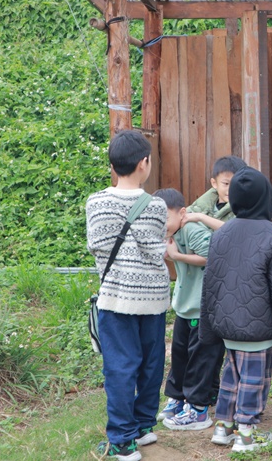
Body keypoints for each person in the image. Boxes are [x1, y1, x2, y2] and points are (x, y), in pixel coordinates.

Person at [199, 167, 272, 453]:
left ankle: (223, 426)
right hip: (258, 327)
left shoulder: (221, 234)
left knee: (232, 374)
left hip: (226, 323)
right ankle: (246, 433)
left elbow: (210, 284)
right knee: (255, 379)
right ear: (265, 198)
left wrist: (207, 328)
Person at [86, 129, 170, 461]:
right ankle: (143, 425)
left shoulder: (96, 202)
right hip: (152, 297)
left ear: (113, 164)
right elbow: (155, 249)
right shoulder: (156, 205)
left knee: (120, 367)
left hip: (115, 297)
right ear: (143, 164)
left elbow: (97, 246)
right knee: (151, 362)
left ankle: (122, 439)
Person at [152, 188, 224, 431]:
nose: (161, 225)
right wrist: (173, 254)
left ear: (182, 213)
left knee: (199, 358)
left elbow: (212, 256)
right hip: (185, 305)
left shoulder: (191, 229)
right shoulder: (173, 231)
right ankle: (178, 398)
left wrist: (176, 256)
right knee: (180, 353)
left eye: (166, 219)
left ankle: (198, 408)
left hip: (201, 308)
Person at [186, 155, 246, 231]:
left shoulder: (245, 209)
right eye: (226, 184)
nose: (231, 189)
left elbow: (234, 232)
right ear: (214, 183)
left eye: (236, 184)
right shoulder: (200, 204)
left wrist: (201, 217)